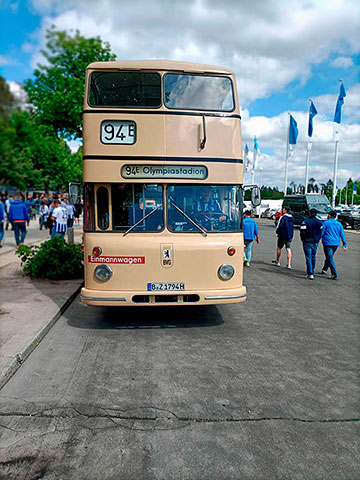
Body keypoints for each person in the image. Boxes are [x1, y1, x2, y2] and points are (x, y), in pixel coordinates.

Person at [320, 210, 347, 280]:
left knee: (329, 257)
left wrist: (317, 239)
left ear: (329, 215)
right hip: (335, 243)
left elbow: (322, 233)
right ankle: (325, 268)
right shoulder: (339, 224)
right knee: (329, 257)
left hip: (327, 242)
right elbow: (342, 234)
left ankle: (334, 273)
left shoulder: (325, 223)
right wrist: (344, 244)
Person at [300, 208, 323, 280]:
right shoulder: (319, 222)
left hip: (307, 241)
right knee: (313, 256)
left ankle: (310, 273)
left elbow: (302, 232)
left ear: (309, 213)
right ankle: (312, 270)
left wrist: (303, 239)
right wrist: (318, 238)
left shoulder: (305, 222)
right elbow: (321, 232)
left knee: (308, 257)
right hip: (315, 242)